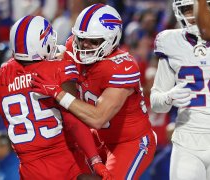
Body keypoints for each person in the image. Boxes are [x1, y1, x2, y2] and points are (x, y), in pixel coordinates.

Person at [0, 15, 110, 180]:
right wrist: (95, 161)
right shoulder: (58, 70)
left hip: (31, 172)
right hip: (66, 163)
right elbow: (75, 120)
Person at [31, 4, 157, 179]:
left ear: (112, 40)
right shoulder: (72, 48)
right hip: (98, 138)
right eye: (81, 38)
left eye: (93, 41)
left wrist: (58, 93)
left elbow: (98, 118)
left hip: (129, 142)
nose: (84, 45)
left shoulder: (122, 66)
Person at [150, 0, 210, 179]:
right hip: (186, 143)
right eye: (186, 9)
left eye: (197, 8)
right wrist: (169, 97)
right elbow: (156, 103)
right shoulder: (170, 41)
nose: (192, 15)